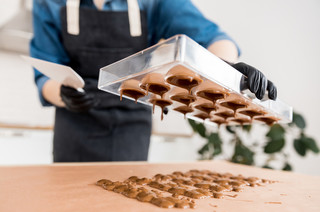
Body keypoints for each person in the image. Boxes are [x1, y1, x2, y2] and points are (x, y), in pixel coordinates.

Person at [30, 0, 277, 163]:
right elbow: (45, 72)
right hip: (75, 124)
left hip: (131, 121)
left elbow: (211, 37)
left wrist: (225, 67)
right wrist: (63, 94)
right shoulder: (48, 3)